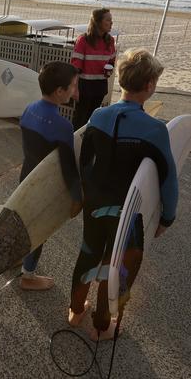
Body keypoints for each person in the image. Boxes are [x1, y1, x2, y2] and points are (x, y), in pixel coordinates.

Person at [68, 48, 177, 341]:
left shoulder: (98, 115)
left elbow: (84, 159)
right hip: (126, 213)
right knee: (117, 266)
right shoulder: (155, 130)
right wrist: (167, 216)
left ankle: (76, 310)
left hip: (95, 203)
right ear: (150, 85)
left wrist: (84, 195)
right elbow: (168, 178)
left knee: (89, 253)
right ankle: (102, 327)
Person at [18, 62, 82, 291]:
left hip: (25, 177)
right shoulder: (62, 126)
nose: (75, 92)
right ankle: (28, 275)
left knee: (24, 221)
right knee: (39, 229)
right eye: (73, 87)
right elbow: (68, 168)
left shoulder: (28, 109)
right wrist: (77, 197)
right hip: (44, 188)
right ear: (59, 92)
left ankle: (18, 260)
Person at [71, 8, 116, 130]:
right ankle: (74, 144)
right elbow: (75, 67)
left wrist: (109, 70)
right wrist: (74, 89)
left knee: (92, 119)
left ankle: (86, 144)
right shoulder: (83, 40)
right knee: (80, 119)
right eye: (108, 20)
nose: (111, 23)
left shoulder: (110, 41)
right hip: (84, 86)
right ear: (98, 22)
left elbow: (112, 61)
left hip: (100, 86)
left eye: (111, 20)